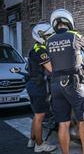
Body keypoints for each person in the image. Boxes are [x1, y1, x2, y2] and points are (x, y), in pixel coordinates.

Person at [46, 9, 84, 154]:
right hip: (74, 84)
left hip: (55, 85)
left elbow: (50, 64)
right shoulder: (76, 35)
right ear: (69, 22)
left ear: (55, 24)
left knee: (63, 124)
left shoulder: (48, 40)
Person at [26, 22, 57, 152]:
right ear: (40, 36)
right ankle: (39, 145)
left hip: (33, 85)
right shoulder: (41, 50)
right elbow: (51, 69)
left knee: (36, 115)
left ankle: (32, 140)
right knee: (40, 116)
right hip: (39, 86)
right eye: (48, 35)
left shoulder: (36, 48)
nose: (50, 37)